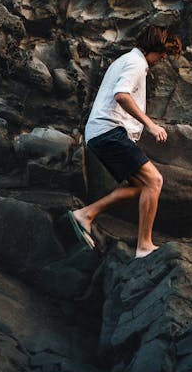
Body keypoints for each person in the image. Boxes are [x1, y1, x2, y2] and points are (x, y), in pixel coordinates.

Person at [68, 25, 182, 258]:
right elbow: (122, 95)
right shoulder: (136, 64)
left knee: (140, 187)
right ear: (154, 47)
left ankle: (85, 215)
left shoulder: (127, 60)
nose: (163, 57)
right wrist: (150, 125)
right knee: (155, 180)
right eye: (163, 52)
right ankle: (144, 246)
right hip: (108, 132)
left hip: (102, 133)